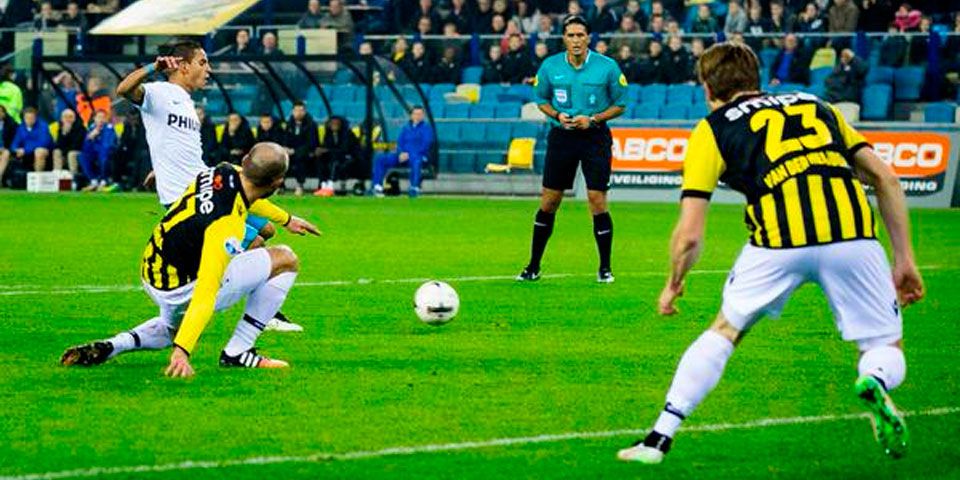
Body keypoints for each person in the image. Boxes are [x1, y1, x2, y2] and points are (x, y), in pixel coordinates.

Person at [616, 41, 924, 465]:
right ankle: (874, 380)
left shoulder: (713, 127)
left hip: (778, 241)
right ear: (756, 79)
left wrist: (674, 283)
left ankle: (658, 439)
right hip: (853, 235)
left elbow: (689, 234)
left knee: (725, 331)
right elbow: (886, 179)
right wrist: (904, 258)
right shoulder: (819, 106)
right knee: (884, 344)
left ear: (708, 88)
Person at [60, 143, 322, 377]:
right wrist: (182, 351)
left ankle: (115, 345)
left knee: (173, 327)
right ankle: (238, 352)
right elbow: (206, 293)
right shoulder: (225, 227)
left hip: (153, 270)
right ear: (277, 183)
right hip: (182, 287)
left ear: (244, 161)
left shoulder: (221, 171)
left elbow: (249, 194)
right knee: (286, 259)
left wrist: (287, 219)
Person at [115, 40, 302, 332]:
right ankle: (262, 315)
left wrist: (159, 169)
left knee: (266, 230)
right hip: (189, 198)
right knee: (254, 242)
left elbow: (173, 143)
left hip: (204, 182)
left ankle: (224, 291)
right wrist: (155, 67)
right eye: (203, 62)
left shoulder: (187, 102)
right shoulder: (159, 92)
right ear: (183, 65)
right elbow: (124, 90)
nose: (209, 69)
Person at [517, 15, 626, 283]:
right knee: (549, 202)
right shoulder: (550, 66)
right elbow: (541, 98)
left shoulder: (608, 67)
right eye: (571, 35)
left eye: (580, 35)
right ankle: (533, 266)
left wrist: (594, 119)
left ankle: (605, 268)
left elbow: (621, 103)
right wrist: (557, 114)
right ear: (564, 38)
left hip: (595, 138)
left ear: (589, 38)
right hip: (562, 137)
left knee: (596, 200)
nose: (576, 40)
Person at [370, 106, 434, 198]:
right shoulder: (406, 128)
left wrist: (409, 154)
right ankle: (377, 185)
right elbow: (399, 143)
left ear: (423, 116)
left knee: (416, 161)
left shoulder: (427, 129)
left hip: (417, 155)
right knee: (381, 158)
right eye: (415, 114)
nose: (417, 116)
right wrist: (401, 153)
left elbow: (425, 145)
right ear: (411, 115)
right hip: (402, 155)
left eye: (420, 114)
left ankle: (414, 187)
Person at [316, 115, 361, 197]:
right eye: (332, 123)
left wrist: (327, 150)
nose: (334, 125)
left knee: (335, 162)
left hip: (349, 158)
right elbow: (326, 146)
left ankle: (330, 186)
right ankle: (322, 185)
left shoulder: (347, 134)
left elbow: (344, 150)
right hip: (333, 157)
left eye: (336, 123)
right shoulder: (328, 134)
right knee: (321, 159)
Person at [284, 101, 320, 197]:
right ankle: (279, 185)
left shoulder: (311, 124)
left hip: (307, 153)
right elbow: (286, 139)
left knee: (300, 158)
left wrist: (295, 151)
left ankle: (300, 185)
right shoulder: (289, 124)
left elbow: (311, 143)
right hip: (291, 152)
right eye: (296, 110)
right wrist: (286, 148)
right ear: (292, 111)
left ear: (305, 111)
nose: (298, 113)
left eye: (301, 110)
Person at [78, 109, 118, 191]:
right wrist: (90, 137)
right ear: (94, 118)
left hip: (108, 152)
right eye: (99, 117)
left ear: (106, 119)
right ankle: (94, 181)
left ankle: (104, 181)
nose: (101, 119)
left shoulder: (109, 128)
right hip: (95, 153)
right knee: (82, 156)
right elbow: (84, 147)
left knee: (103, 154)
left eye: (103, 117)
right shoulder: (91, 128)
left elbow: (107, 144)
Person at [10, 107, 53, 173]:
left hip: (45, 150)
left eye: (31, 118)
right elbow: (15, 143)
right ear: (24, 118)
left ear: (36, 118)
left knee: (39, 151)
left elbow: (43, 143)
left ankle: (37, 177)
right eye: (27, 118)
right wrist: (16, 150)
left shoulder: (43, 126)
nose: (29, 120)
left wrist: (25, 150)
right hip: (26, 152)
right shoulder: (21, 127)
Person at [53, 108, 85, 175]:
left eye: (70, 117)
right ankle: (57, 174)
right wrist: (64, 134)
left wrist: (65, 150)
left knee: (71, 154)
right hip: (67, 151)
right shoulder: (61, 129)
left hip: (78, 151)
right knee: (57, 152)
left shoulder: (80, 128)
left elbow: (77, 145)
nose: (68, 119)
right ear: (62, 119)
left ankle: (74, 176)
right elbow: (58, 145)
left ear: (74, 118)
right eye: (65, 117)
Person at [0, 105, 19, 187]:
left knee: (5, 154)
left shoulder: (11, 124)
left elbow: (14, 141)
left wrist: (4, 148)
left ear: (4, 113)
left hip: (7, 149)